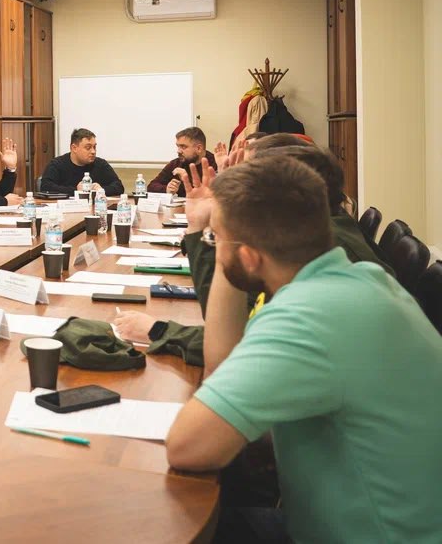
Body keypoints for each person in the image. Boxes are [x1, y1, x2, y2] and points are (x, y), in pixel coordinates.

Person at [164, 156, 442, 543]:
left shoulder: (306, 318)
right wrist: (229, 240)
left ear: (249, 256)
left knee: (161, 522)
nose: (215, 246)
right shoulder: (363, 278)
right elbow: (224, 365)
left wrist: (227, 248)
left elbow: (187, 447)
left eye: (216, 239)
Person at [115, 144, 388, 361]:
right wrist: (205, 226)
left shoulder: (317, 267)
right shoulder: (319, 242)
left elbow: (237, 348)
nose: (235, 190)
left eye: (245, 177)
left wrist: (158, 331)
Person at [38, 128, 124, 196]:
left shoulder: (100, 164)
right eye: (88, 147)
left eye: (94, 147)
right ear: (74, 148)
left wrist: (101, 190)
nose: (93, 151)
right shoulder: (57, 164)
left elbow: (119, 186)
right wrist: (76, 190)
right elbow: (46, 187)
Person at [147, 126, 217, 196]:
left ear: (199, 148)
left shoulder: (215, 164)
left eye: (183, 147)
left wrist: (186, 179)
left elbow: (215, 194)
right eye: (178, 146)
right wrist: (166, 189)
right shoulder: (176, 163)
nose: (179, 151)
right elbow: (151, 186)